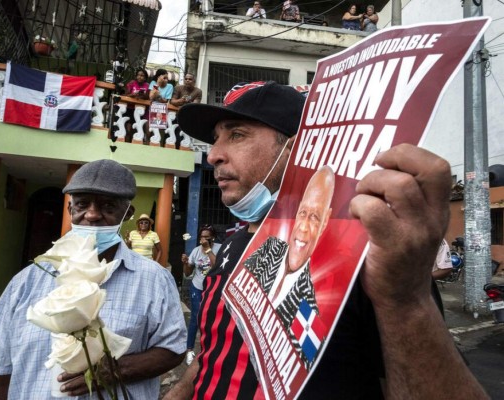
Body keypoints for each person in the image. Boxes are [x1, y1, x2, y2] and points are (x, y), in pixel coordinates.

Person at [163, 81, 489, 399]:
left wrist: (406, 301)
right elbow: (217, 354)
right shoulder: (233, 243)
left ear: (296, 148)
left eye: (236, 135)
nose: (213, 156)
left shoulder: (366, 261)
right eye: (216, 139)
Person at [0, 159, 187, 399]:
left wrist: (114, 370)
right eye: (82, 204)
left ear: (127, 212)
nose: (92, 215)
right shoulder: (27, 280)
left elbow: (173, 350)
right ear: (70, 210)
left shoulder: (155, 279)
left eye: (108, 206)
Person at [244, 166, 334, 369]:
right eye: (303, 213)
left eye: (315, 217)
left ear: (326, 221)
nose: (303, 227)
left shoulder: (309, 311)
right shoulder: (270, 247)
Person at [181, 224, 221, 366]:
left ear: (213, 238)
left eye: (207, 238)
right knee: (196, 317)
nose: (203, 240)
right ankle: (190, 350)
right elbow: (187, 273)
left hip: (214, 288)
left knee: (213, 317)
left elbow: (217, 267)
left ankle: (210, 349)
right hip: (197, 287)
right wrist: (185, 263)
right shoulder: (196, 251)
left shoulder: (219, 248)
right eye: (202, 237)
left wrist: (208, 250)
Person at [124, 68, 150, 142]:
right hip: (130, 109)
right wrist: (133, 94)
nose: (140, 77)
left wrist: (142, 95)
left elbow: (148, 97)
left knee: (136, 131)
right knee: (128, 130)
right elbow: (126, 94)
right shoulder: (132, 83)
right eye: (138, 75)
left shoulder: (147, 85)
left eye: (142, 75)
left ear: (145, 78)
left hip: (141, 111)